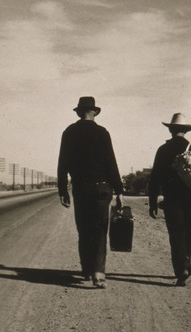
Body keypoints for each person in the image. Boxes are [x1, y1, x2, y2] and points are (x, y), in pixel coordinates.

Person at [57, 96, 124, 288]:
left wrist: (63, 190)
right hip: (102, 188)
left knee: (84, 229)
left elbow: (62, 164)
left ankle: (86, 270)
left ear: (78, 112)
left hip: (81, 188)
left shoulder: (69, 132)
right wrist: (119, 190)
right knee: (100, 230)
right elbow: (111, 163)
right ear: (95, 112)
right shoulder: (102, 133)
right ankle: (98, 273)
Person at [148, 113, 191, 287]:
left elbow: (154, 178)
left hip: (172, 200)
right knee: (188, 233)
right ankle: (186, 263)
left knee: (176, 235)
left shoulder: (163, 150)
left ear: (170, 129)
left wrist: (153, 202)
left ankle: (181, 268)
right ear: (186, 131)